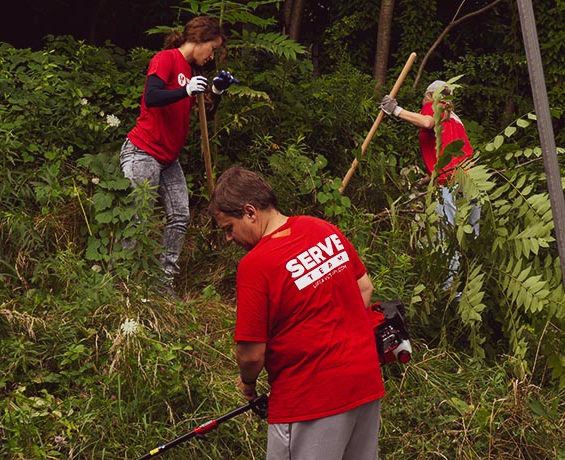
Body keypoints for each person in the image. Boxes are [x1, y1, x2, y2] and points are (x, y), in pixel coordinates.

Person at [208, 166, 385, 460]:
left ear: (250, 212)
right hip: (364, 382)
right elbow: (365, 288)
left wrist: (247, 383)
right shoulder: (322, 228)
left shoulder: (256, 265)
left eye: (229, 228)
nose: (229, 238)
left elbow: (251, 354)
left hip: (310, 399)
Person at [119, 15, 237, 293]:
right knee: (139, 216)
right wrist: (184, 89)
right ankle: (121, 283)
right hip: (143, 151)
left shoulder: (191, 71)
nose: (211, 57)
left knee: (180, 216)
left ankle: (162, 284)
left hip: (168, 159)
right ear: (199, 39)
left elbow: (203, 115)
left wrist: (216, 91)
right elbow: (152, 96)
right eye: (212, 49)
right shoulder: (166, 58)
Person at [380, 80, 480, 291]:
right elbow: (450, 155)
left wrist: (396, 110)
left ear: (429, 96)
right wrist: (426, 179)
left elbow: (427, 123)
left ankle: (449, 293)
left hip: (451, 183)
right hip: (472, 180)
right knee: (473, 238)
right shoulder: (455, 119)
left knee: (447, 238)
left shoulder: (435, 107)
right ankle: (477, 283)